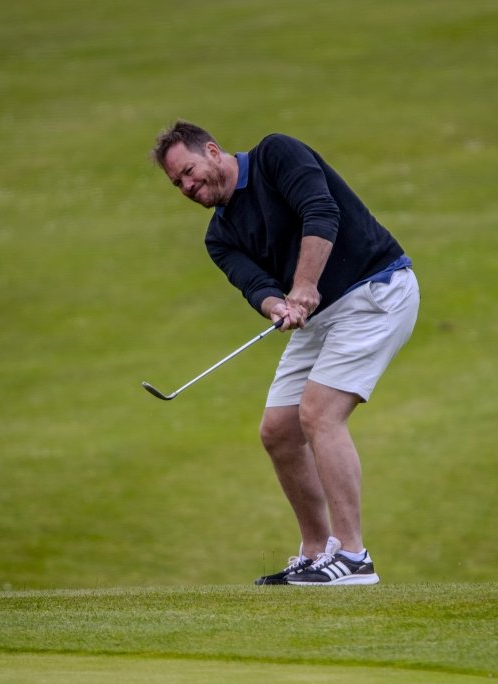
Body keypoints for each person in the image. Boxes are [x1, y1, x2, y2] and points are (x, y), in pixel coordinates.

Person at [151, 121, 419, 586]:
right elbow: (254, 284)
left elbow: (321, 212)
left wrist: (303, 286)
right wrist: (277, 304)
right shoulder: (219, 236)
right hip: (316, 316)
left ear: (213, 151)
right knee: (277, 430)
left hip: (375, 290)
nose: (188, 187)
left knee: (318, 413)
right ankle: (317, 554)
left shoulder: (276, 155)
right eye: (178, 184)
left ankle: (354, 557)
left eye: (189, 172)